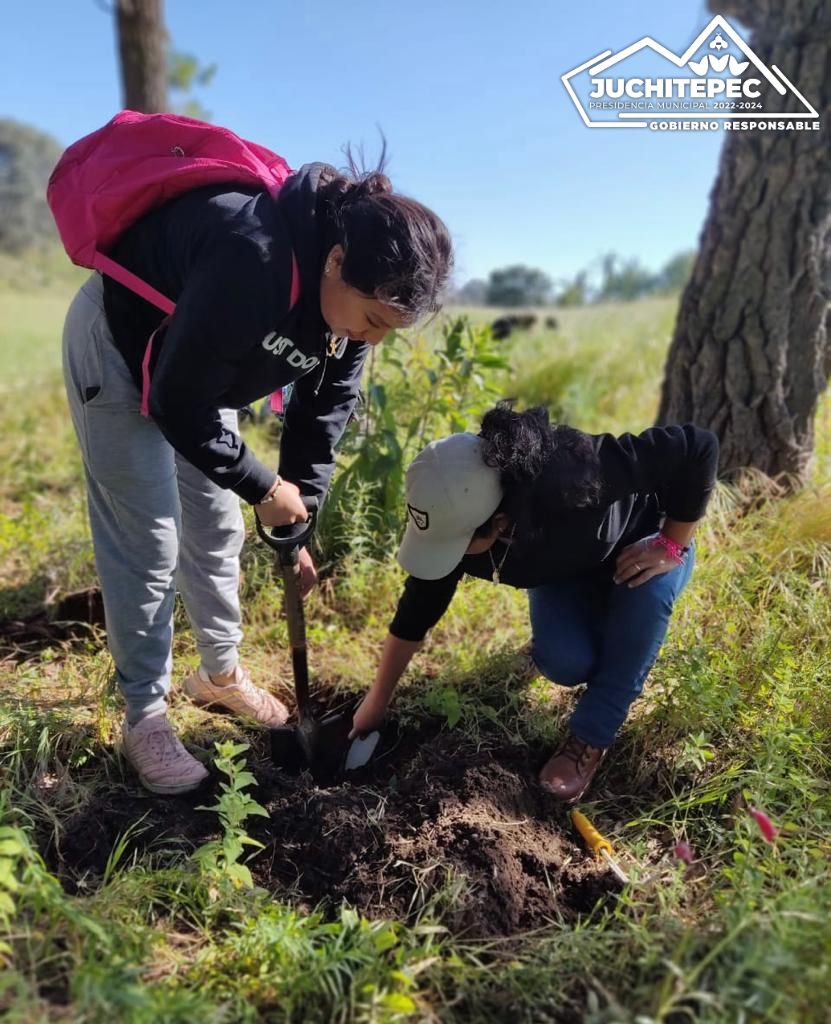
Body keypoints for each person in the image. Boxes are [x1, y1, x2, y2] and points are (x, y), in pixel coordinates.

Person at [62, 151, 452, 794]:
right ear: (335, 261)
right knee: (150, 536)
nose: (372, 340)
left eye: (389, 330)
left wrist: (293, 524)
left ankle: (218, 675)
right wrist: (264, 486)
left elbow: (320, 419)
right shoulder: (255, 254)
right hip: (124, 343)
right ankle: (146, 715)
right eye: (374, 320)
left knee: (217, 525)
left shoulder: (348, 320)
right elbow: (174, 400)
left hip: (202, 367)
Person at [351, 403, 719, 802]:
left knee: (636, 622)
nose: (451, 555)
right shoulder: (454, 508)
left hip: (642, 545)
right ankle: (593, 627)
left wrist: (671, 542)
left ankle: (590, 737)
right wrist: (377, 700)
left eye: (455, 544)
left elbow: (696, 446)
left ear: (500, 522)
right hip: (567, 569)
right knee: (565, 662)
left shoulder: (574, 471)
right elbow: (417, 609)